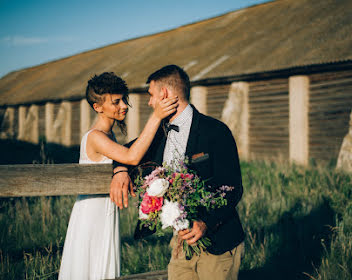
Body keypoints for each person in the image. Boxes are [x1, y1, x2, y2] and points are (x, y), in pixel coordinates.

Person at [111, 65, 245, 280]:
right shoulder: (158, 134)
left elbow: (233, 188)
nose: (149, 102)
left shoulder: (216, 131)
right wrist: (119, 171)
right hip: (180, 243)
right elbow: (124, 153)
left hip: (219, 243)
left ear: (164, 94)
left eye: (151, 95)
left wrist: (205, 223)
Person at [58, 72, 178, 280]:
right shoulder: (95, 137)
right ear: (98, 107)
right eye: (116, 102)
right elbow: (131, 156)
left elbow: (124, 158)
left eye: (123, 99)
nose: (123, 106)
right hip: (91, 214)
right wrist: (156, 116)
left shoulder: (109, 136)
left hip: (106, 210)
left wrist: (120, 170)